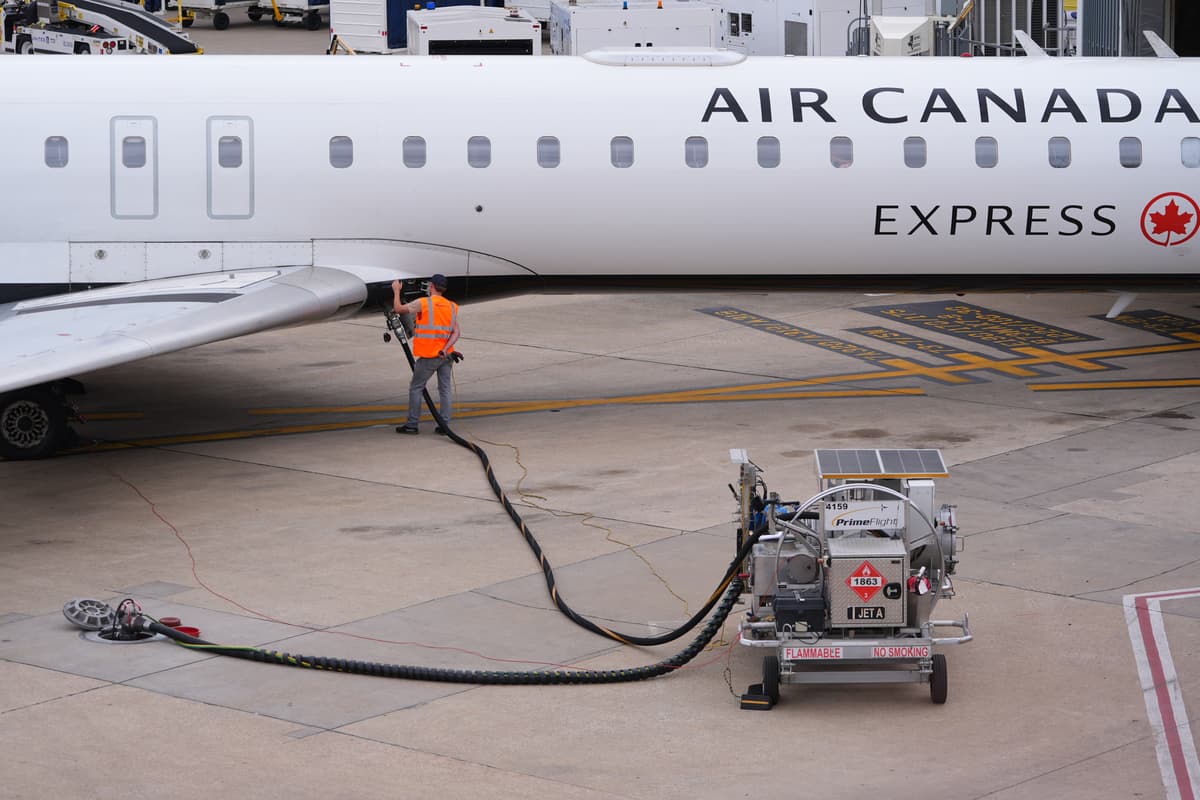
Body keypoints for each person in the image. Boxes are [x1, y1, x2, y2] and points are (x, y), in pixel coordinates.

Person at [392, 274, 460, 435]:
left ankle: (412, 425)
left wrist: (396, 291)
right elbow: (456, 332)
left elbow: (398, 309)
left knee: (416, 387)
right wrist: (446, 348)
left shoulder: (424, 303)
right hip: (446, 356)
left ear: (432, 286)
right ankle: (444, 426)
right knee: (445, 390)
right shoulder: (452, 306)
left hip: (429, 356)